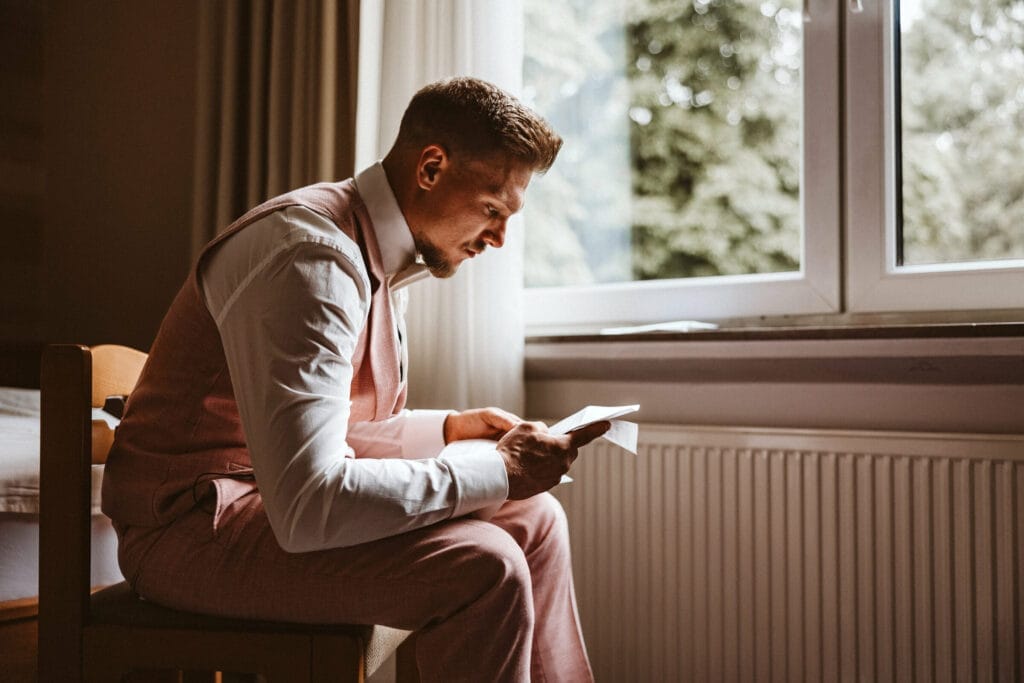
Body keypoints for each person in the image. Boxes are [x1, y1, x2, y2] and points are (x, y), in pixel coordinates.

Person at [102, 76, 608, 682]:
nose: (499, 238)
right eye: (492, 209)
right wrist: (498, 468)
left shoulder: (374, 248)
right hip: (185, 533)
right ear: (431, 167)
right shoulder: (309, 257)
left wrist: (446, 430)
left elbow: (325, 434)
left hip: (259, 501)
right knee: (486, 564)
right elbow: (310, 503)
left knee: (535, 519)